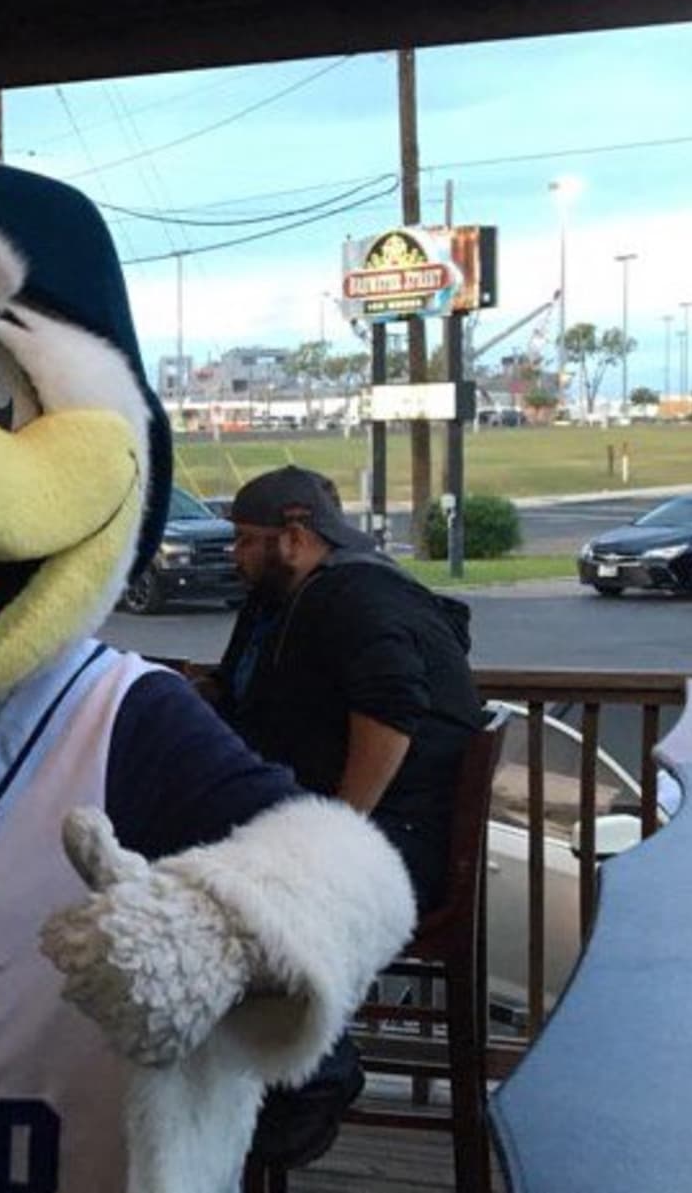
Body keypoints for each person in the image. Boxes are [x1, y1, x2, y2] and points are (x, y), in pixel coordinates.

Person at [213, 465, 484, 1169]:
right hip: (353, 836)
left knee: (226, 900)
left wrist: (335, 836)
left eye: (246, 540)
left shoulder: (357, 598)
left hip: (396, 849)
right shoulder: (283, 601)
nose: (235, 556)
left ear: (294, 537)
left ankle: (311, 1069)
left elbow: (392, 707)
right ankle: (241, 1093)